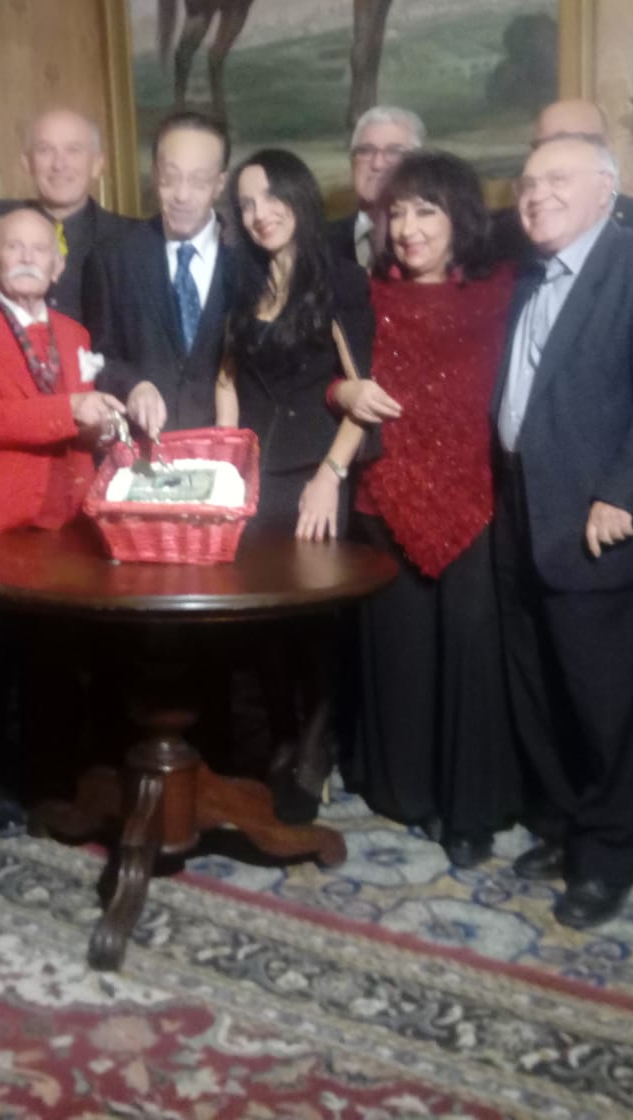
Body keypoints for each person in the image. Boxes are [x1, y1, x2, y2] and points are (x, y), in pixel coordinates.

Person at [491, 134, 633, 929]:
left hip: (599, 528)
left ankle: (612, 854)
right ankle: (568, 825)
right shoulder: (528, 275)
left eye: (557, 179)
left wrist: (625, 494)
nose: (535, 193)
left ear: (607, 190)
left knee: (608, 702)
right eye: (527, 180)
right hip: (520, 513)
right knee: (542, 688)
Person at [334, 151, 518, 868]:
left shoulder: (501, 293)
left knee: (470, 659)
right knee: (400, 656)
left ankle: (470, 811)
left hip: (475, 502)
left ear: (460, 219)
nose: (408, 228)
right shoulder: (364, 296)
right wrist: (338, 395)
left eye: (426, 212)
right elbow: (322, 370)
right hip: (383, 500)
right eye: (398, 213)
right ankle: (403, 792)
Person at [0, 207, 126, 835]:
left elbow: (83, 423)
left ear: (59, 265)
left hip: (67, 518)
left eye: (40, 249)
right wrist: (73, 409)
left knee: (56, 656)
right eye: (13, 246)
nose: (26, 257)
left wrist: (108, 424)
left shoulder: (74, 333)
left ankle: (52, 778)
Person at [216, 148, 374, 820]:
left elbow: (366, 396)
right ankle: (282, 740)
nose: (258, 215)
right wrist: (228, 465)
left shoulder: (340, 280)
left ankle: (315, 751)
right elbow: (227, 379)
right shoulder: (244, 284)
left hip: (316, 476)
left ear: (299, 197)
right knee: (265, 625)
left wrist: (329, 477)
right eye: (246, 204)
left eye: (269, 197)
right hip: (256, 477)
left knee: (317, 627)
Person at [83, 110, 236, 436]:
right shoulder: (113, 258)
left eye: (198, 181)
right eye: (170, 177)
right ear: (155, 175)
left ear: (220, 183)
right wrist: (133, 385)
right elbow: (97, 355)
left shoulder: (245, 260)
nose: (182, 195)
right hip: (144, 453)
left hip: (228, 452)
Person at [0, 108, 138, 320]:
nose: (59, 164)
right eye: (45, 150)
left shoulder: (131, 239)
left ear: (97, 164)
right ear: (27, 164)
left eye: (73, 150)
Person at [489, 100, 633, 263]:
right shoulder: (505, 231)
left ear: (604, 147)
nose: (553, 153)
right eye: (544, 145)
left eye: (569, 141)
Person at [328, 106, 425, 271]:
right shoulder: (321, 242)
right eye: (365, 151)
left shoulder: (435, 242)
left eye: (394, 151)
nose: (377, 164)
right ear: (352, 161)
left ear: (417, 164)